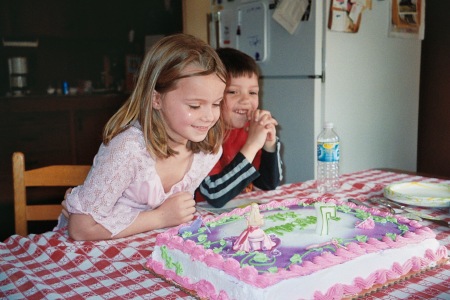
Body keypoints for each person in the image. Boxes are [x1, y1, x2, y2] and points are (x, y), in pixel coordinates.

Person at [57, 34, 227, 241]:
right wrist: (161, 217)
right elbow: (81, 229)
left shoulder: (207, 152)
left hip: (142, 247)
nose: (209, 117)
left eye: (216, 103)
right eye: (194, 106)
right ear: (156, 99)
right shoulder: (128, 149)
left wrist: (170, 215)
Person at [196, 48, 282, 208]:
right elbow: (215, 195)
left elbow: (267, 185)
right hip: (204, 221)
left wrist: (269, 146)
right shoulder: (202, 135)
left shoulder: (249, 130)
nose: (245, 100)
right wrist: (252, 145)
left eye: (253, 92)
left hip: (239, 215)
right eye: (233, 91)